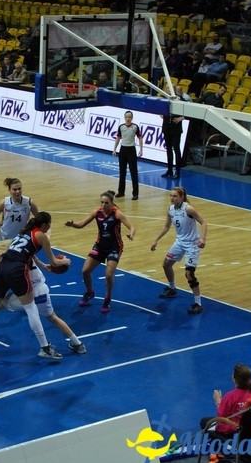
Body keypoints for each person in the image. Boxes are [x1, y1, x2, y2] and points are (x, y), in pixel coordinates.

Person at [0, 212, 70, 359]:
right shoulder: (41, 236)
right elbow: (55, 262)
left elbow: (30, 253)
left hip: (3, 266)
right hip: (17, 270)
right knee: (31, 308)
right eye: (49, 225)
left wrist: (43, 265)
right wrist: (65, 262)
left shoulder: (23, 233)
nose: (49, 227)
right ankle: (45, 348)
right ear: (44, 225)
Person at [0, 239, 86, 355]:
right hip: (42, 291)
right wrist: (58, 262)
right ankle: (77, 344)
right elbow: (41, 252)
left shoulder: (5, 264)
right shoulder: (27, 255)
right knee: (53, 317)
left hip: (28, 294)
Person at [65, 191, 136, 313]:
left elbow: (132, 226)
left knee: (108, 274)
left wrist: (131, 234)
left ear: (111, 203)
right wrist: (73, 224)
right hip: (100, 245)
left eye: (106, 203)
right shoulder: (96, 212)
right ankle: (89, 292)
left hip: (114, 246)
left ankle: (107, 298)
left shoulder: (117, 214)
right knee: (85, 271)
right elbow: (81, 224)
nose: (103, 205)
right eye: (102, 202)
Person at [150, 186, 208, 315]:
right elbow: (166, 226)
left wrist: (203, 239)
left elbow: (203, 222)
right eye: (170, 196)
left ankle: (198, 304)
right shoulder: (170, 209)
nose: (171, 198)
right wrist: (156, 239)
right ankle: (172, 288)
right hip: (179, 242)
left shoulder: (188, 209)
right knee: (166, 264)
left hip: (192, 245)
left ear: (182, 197)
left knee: (189, 274)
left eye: (174, 196)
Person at [201, 364, 251, 436]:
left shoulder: (231, 396)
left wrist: (218, 401)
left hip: (232, 430)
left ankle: (217, 445)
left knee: (203, 422)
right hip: (247, 430)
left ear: (234, 378)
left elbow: (221, 416)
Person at [0, 177, 38, 241]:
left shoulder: (29, 202)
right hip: (4, 237)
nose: (18, 191)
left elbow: (38, 219)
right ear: (9, 190)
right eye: (14, 189)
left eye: (19, 189)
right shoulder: (4, 203)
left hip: (20, 238)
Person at [112, 111, 144, 200]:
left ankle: (135, 193)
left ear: (132, 118)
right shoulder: (121, 127)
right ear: (124, 118)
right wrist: (114, 149)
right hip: (123, 150)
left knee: (134, 173)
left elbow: (140, 138)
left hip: (131, 150)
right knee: (122, 172)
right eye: (126, 117)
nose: (128, 119)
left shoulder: (135, 127)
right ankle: (121, 191)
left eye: (129, 117)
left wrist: (141, 150)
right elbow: (118, 138)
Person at [163, 89, 187, 178]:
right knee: (168, 149)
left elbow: (188, 110)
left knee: (176, 149)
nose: (166, 90)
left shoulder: (180, 100)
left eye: (168, 88)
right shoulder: (165, 98)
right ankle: (169, 170)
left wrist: (181, 118)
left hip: (176, 128)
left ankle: (177, 171)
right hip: (166, 127)